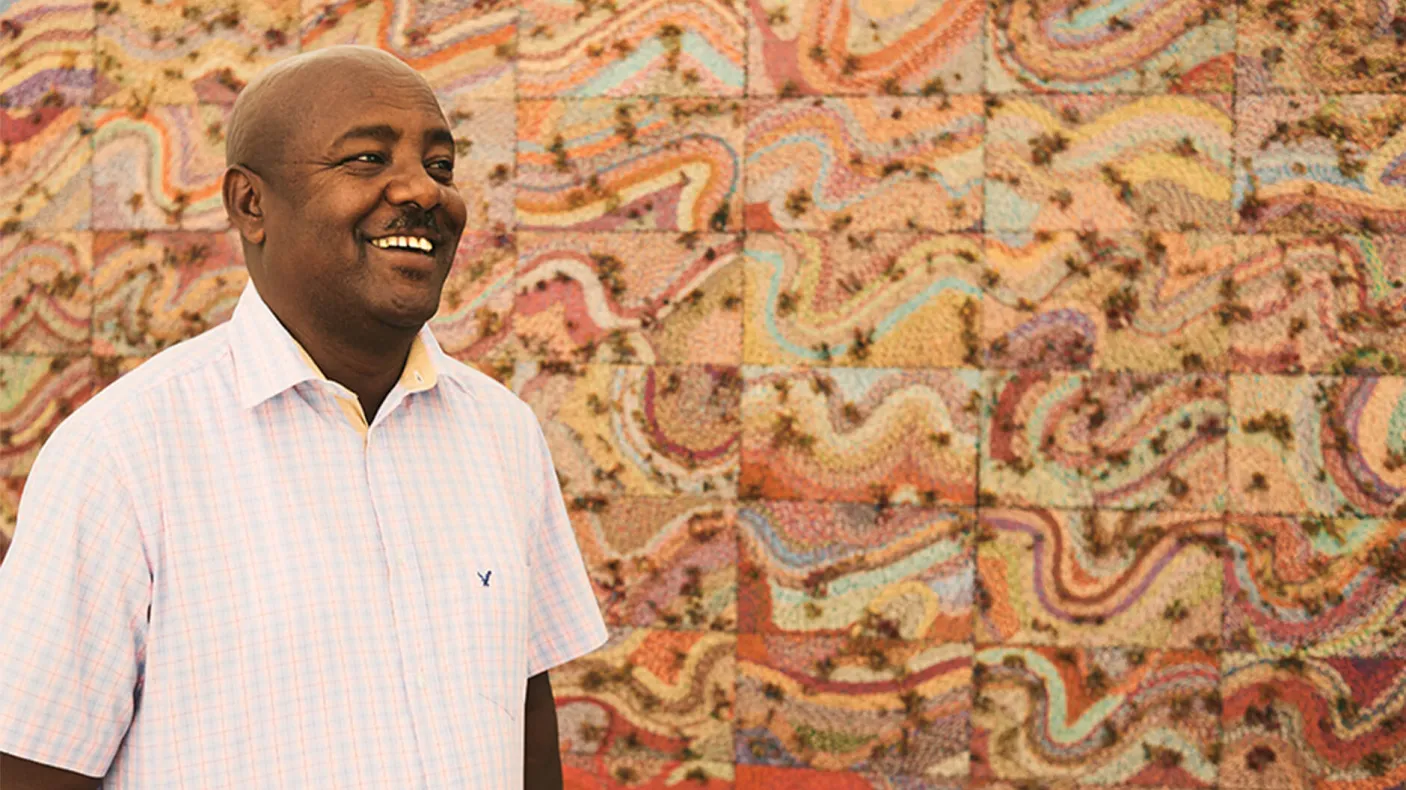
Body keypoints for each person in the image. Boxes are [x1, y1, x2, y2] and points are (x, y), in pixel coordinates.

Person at [0, 45, 607, 789]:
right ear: (250, 205)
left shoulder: (502, 433)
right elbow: (32, 764)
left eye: (441, 165)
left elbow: (524, 716)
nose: (421, 190)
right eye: (366, 159)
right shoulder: (123, 454)